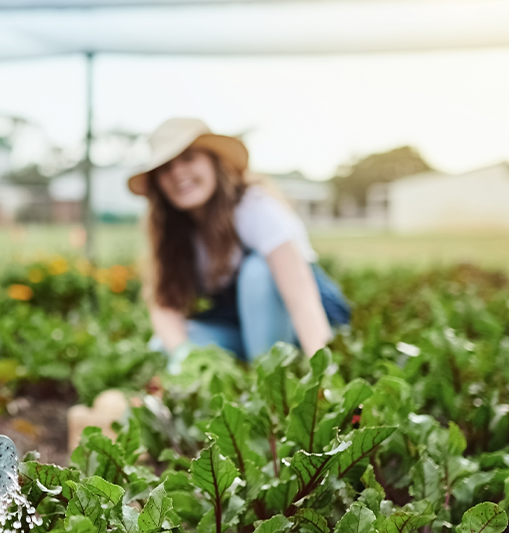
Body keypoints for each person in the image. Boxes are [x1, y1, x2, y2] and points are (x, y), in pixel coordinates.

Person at [131, 118, 351, 367]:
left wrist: (322, 369)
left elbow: (302, 300)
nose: (178, 173)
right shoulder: (174, 230)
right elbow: (164, 304)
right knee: (164, 344)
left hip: (304, 325)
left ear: (214, 162)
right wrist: (183, 359)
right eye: (166, 167)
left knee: (257, 271)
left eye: (189, 158)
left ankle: (267, 377)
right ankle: (245, 369)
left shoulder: (254, 206)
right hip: (245, 328)